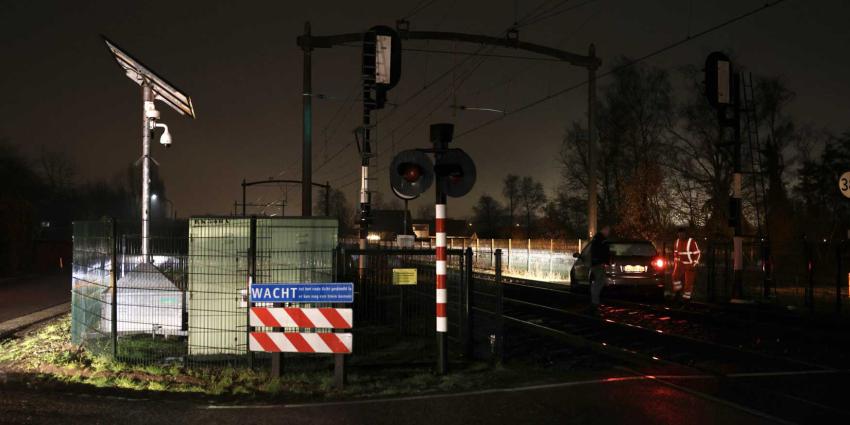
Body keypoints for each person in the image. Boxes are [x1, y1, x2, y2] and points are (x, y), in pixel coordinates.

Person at [672, 228, 700, 301]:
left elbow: (697, 254)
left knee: (688, 283)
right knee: (675, 276)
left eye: (682, 234)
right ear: (678, 234)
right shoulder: (677, 242)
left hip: (689, 265)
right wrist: (676, 263)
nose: (681, 235)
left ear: (685, 234)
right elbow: (676, 253)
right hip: (680, 264)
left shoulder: (691, 241)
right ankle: (678, 292)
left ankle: (686, 298)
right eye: (680, 234)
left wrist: (693, 264)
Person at [589, 224, 611, 310]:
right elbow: (602, 252)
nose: (608, 232)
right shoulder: (601, 239)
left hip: (598, 264)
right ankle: (595, 302)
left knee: (599, 282)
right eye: (608, 230)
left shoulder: (598, 238)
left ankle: (595, 301)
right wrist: (603, 262)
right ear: (604, 230)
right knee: (599, 282)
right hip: (599, 264)